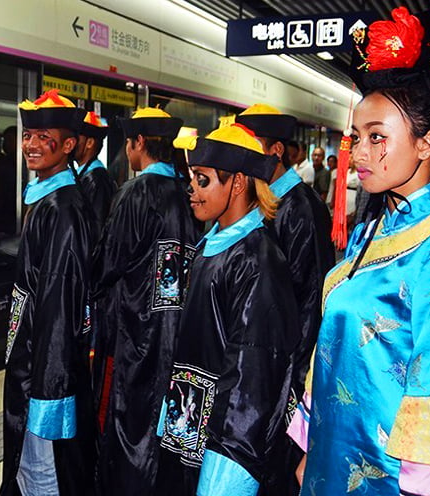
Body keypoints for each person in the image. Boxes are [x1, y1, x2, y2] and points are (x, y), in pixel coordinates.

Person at [290, 5, 430, 495]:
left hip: (390, 480)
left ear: (426, 145)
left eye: (376, 138)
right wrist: (309, 448)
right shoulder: (369, 233)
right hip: (330, 460)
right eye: (357, 137)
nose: (358, 153)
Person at [0, 89, 96, 496]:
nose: (32, 144)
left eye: (46, 137)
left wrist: (49, 392)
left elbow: (62, 304)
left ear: (69, 144)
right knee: (27, 468)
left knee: (43, 471)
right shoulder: (48, 199)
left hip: (45, 375)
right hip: (32, 361)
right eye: (30, 135)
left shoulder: (65, 209)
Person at [155, 123, 299, 496]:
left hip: (223, 445)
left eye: (202, 180)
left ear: (237, 183)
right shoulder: (214, 245)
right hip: (192, 424)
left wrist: (227, 477)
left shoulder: (258, 261)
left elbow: (251, 379)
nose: (192, 190)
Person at [90, 107, 200, 496]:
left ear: (138, 144)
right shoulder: (190, 193)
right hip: (181, 328)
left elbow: (108, 262)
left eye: (128, 143)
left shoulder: (134, 193)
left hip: (138, 330)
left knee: (130, 417)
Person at [236, 103, 334, 494]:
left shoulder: (301, 209)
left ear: (276, 151)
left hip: (286, 363)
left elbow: (310, 298)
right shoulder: (260, 200)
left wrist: (294, 378)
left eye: (252, 145)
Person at [75, 111, 117, 232]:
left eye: (77, 138)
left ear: (89, 143)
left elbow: (98, 227)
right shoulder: (85, 175)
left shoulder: (97, 179)